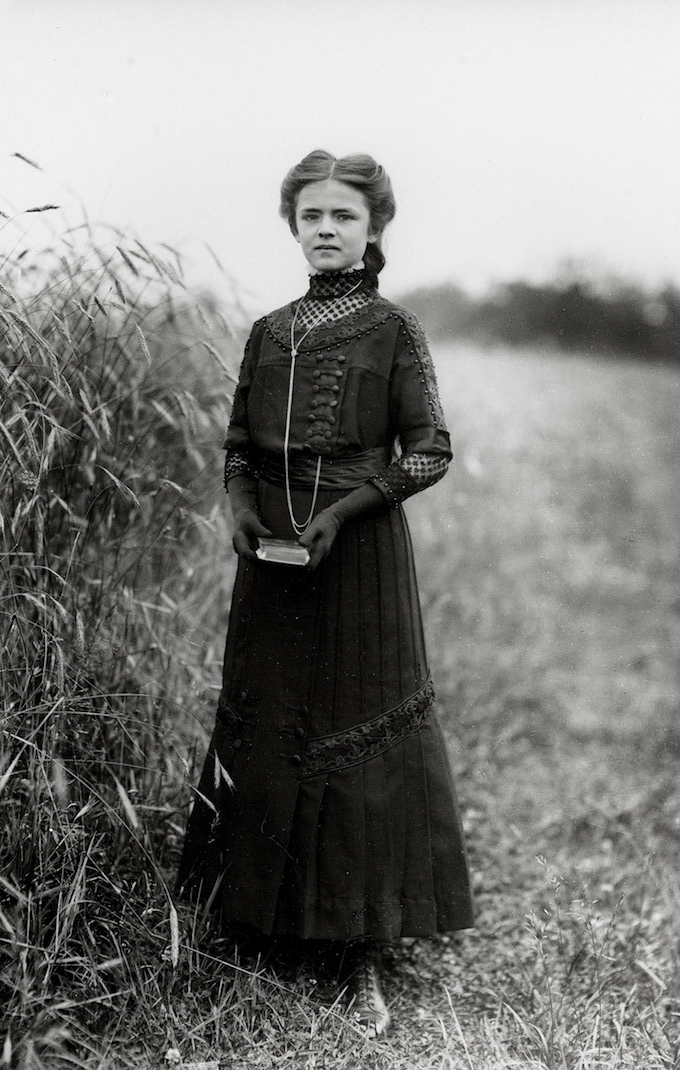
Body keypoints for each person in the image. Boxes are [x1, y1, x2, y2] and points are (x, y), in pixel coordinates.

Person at [177, 149, 474, 1036]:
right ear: (294, 227)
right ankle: (267, 923)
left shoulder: (396, 330)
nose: (328, 231)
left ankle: (359, 957)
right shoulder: (268, 332)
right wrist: (236, 504)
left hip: (359, 550)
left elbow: (430, 449)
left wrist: (346, 511)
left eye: (344, 216)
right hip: (271, 553)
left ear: (374, 228)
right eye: (313, 217)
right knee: (271, 717)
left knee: (356, 729)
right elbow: (237, 441)